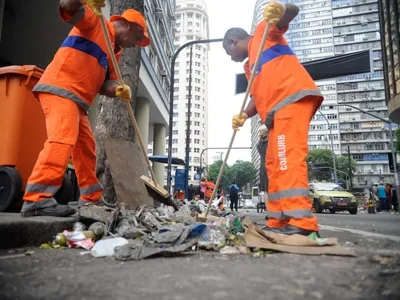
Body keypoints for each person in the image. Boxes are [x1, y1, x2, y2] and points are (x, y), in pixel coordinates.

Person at [21, 0, 150, 218]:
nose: (135, 45)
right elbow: (68, 7)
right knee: (62, 139)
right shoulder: (96, 22)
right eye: (137, 39)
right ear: (130, 26)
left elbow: (105, 85)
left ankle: (91, 199)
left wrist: (118, 89)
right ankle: (37, 199)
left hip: (77, 100)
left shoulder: (114, 51)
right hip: (60, 88)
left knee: (86, 149)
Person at [223, 1, 324, 236]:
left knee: (287, 158)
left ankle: (302, 223)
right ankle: (278, 219)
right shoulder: (252, 65)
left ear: (234, 42)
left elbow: (290, 13)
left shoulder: (262, 32)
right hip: (276, 112)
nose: (231, 58)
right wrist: (244, 115)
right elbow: (258, 97)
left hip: (291, 99)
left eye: (229, 53)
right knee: (274, 164)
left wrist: (281, 10)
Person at [257, 124, 269, 217]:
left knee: (266, 190)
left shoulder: (258, 145)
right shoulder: (271, 142)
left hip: (262, 167)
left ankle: (269, 213)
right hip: (271, 165)